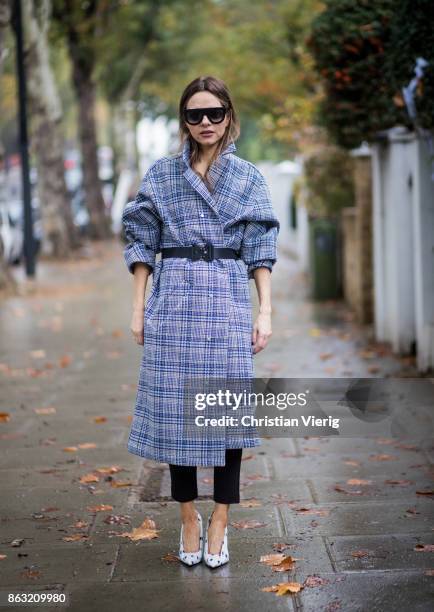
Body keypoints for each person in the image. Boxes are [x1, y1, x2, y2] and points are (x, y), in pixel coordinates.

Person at [122, 75, 280, 568]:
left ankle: (220, 521)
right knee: (176, 416)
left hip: (226, 299)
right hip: (175, 300)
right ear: (184, 121)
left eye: (214, 113)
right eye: (195, 115)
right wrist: (137, 306)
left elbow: (261, 248)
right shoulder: (163, 175)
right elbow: (141, 239)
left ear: (229, 117)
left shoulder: (249, 177)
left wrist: (266, 310)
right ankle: (188, 516)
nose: (206, 122)